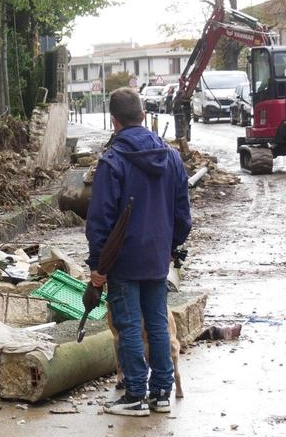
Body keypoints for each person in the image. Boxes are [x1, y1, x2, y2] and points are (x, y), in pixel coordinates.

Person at [86, 87, 192, 415]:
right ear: (144, 115)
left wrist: (97, 263)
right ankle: (161, 392)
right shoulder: (172, 158)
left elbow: (100, 218)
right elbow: (182, 214)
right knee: (158, 322)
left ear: (114, 120)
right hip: (157, 257)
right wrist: (170, 247)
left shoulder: (113, 161)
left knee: (129, 324)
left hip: (122, 259)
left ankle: (134, 395)